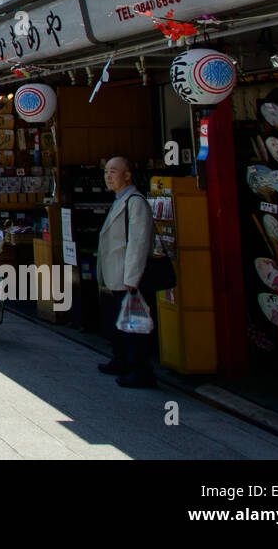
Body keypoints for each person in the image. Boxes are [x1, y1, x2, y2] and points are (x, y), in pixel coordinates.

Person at [98, 156, 157, 388]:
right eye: (106, 172)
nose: (108, 177)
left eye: (113, 172)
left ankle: (140, 370)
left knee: (134, 326)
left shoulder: (135, 202)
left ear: (127, 175)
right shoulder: (118, 200)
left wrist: (132, 278)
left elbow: (139, 242)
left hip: (129, 276)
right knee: (120, 322)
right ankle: (121, 360)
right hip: (116, 274)